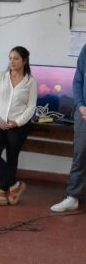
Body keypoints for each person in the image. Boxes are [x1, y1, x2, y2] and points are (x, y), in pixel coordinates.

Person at [0, 46, 37, 206]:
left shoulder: (31, 82)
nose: (12, 61)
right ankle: (16, 184)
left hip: (18, 125)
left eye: (16, 58)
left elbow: (31, 107)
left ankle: (3, 190)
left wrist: (17, 122)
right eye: (10, 58)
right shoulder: (1, 77)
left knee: (11, 157)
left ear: (24, 60)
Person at [51, 44, 86, 212]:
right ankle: (73, 197)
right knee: (80, 154)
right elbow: (78, 80)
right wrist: (80, 105)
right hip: (83, 113)